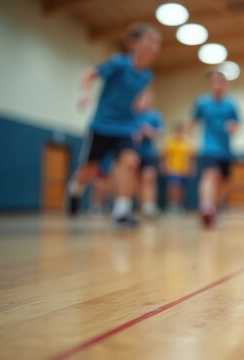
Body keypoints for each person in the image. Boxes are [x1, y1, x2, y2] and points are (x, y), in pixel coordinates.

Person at [67, 23, 161, 227]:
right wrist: (85, 93)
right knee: (89, 171)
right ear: (134, 43)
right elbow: (89, 74)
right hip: (102, 125)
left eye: (157, 43)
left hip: (125, 126)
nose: (155, 47)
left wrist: (137, 121)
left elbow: (133, 101)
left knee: (130, 162)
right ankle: (75, 189)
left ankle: (122, 211)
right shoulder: (119, 64)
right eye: (150, 41)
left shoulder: (146, 75)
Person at [192, 71, 240, 227]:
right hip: (209, 148)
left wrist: (233, 127)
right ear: (210, 85)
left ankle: (214, 207)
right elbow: (193, 122)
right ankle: (206, 206)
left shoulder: (231, 105)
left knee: (224, 182)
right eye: (214, 82)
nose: (218, 85)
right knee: (210, 174)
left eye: (221, 82)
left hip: (226, 150)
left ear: (226, 85)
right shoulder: (201, 103)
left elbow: (237, 124)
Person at [135, 90, 164, 218]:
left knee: (149, 178)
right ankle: (141, 205)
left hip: (148, 153)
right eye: (141, 99)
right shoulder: (131, 116)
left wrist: (149, 132)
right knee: (137, 182)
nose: (144, 102)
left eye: (146, 100)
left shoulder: (154, 116)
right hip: (133, 153)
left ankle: (149, 205)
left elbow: (160, 134)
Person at [160, 124, 194, 214]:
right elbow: (164, 156)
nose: (179, 133)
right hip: (172, 169)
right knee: (173, 187)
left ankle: (179, 205)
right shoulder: (169, 142)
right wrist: (164, 167)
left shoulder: (187, 143)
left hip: (183, 170)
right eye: (177, 131)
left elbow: (190, 157)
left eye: (181, 131)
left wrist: (190, 168)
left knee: (182, 188)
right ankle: (172, 205)